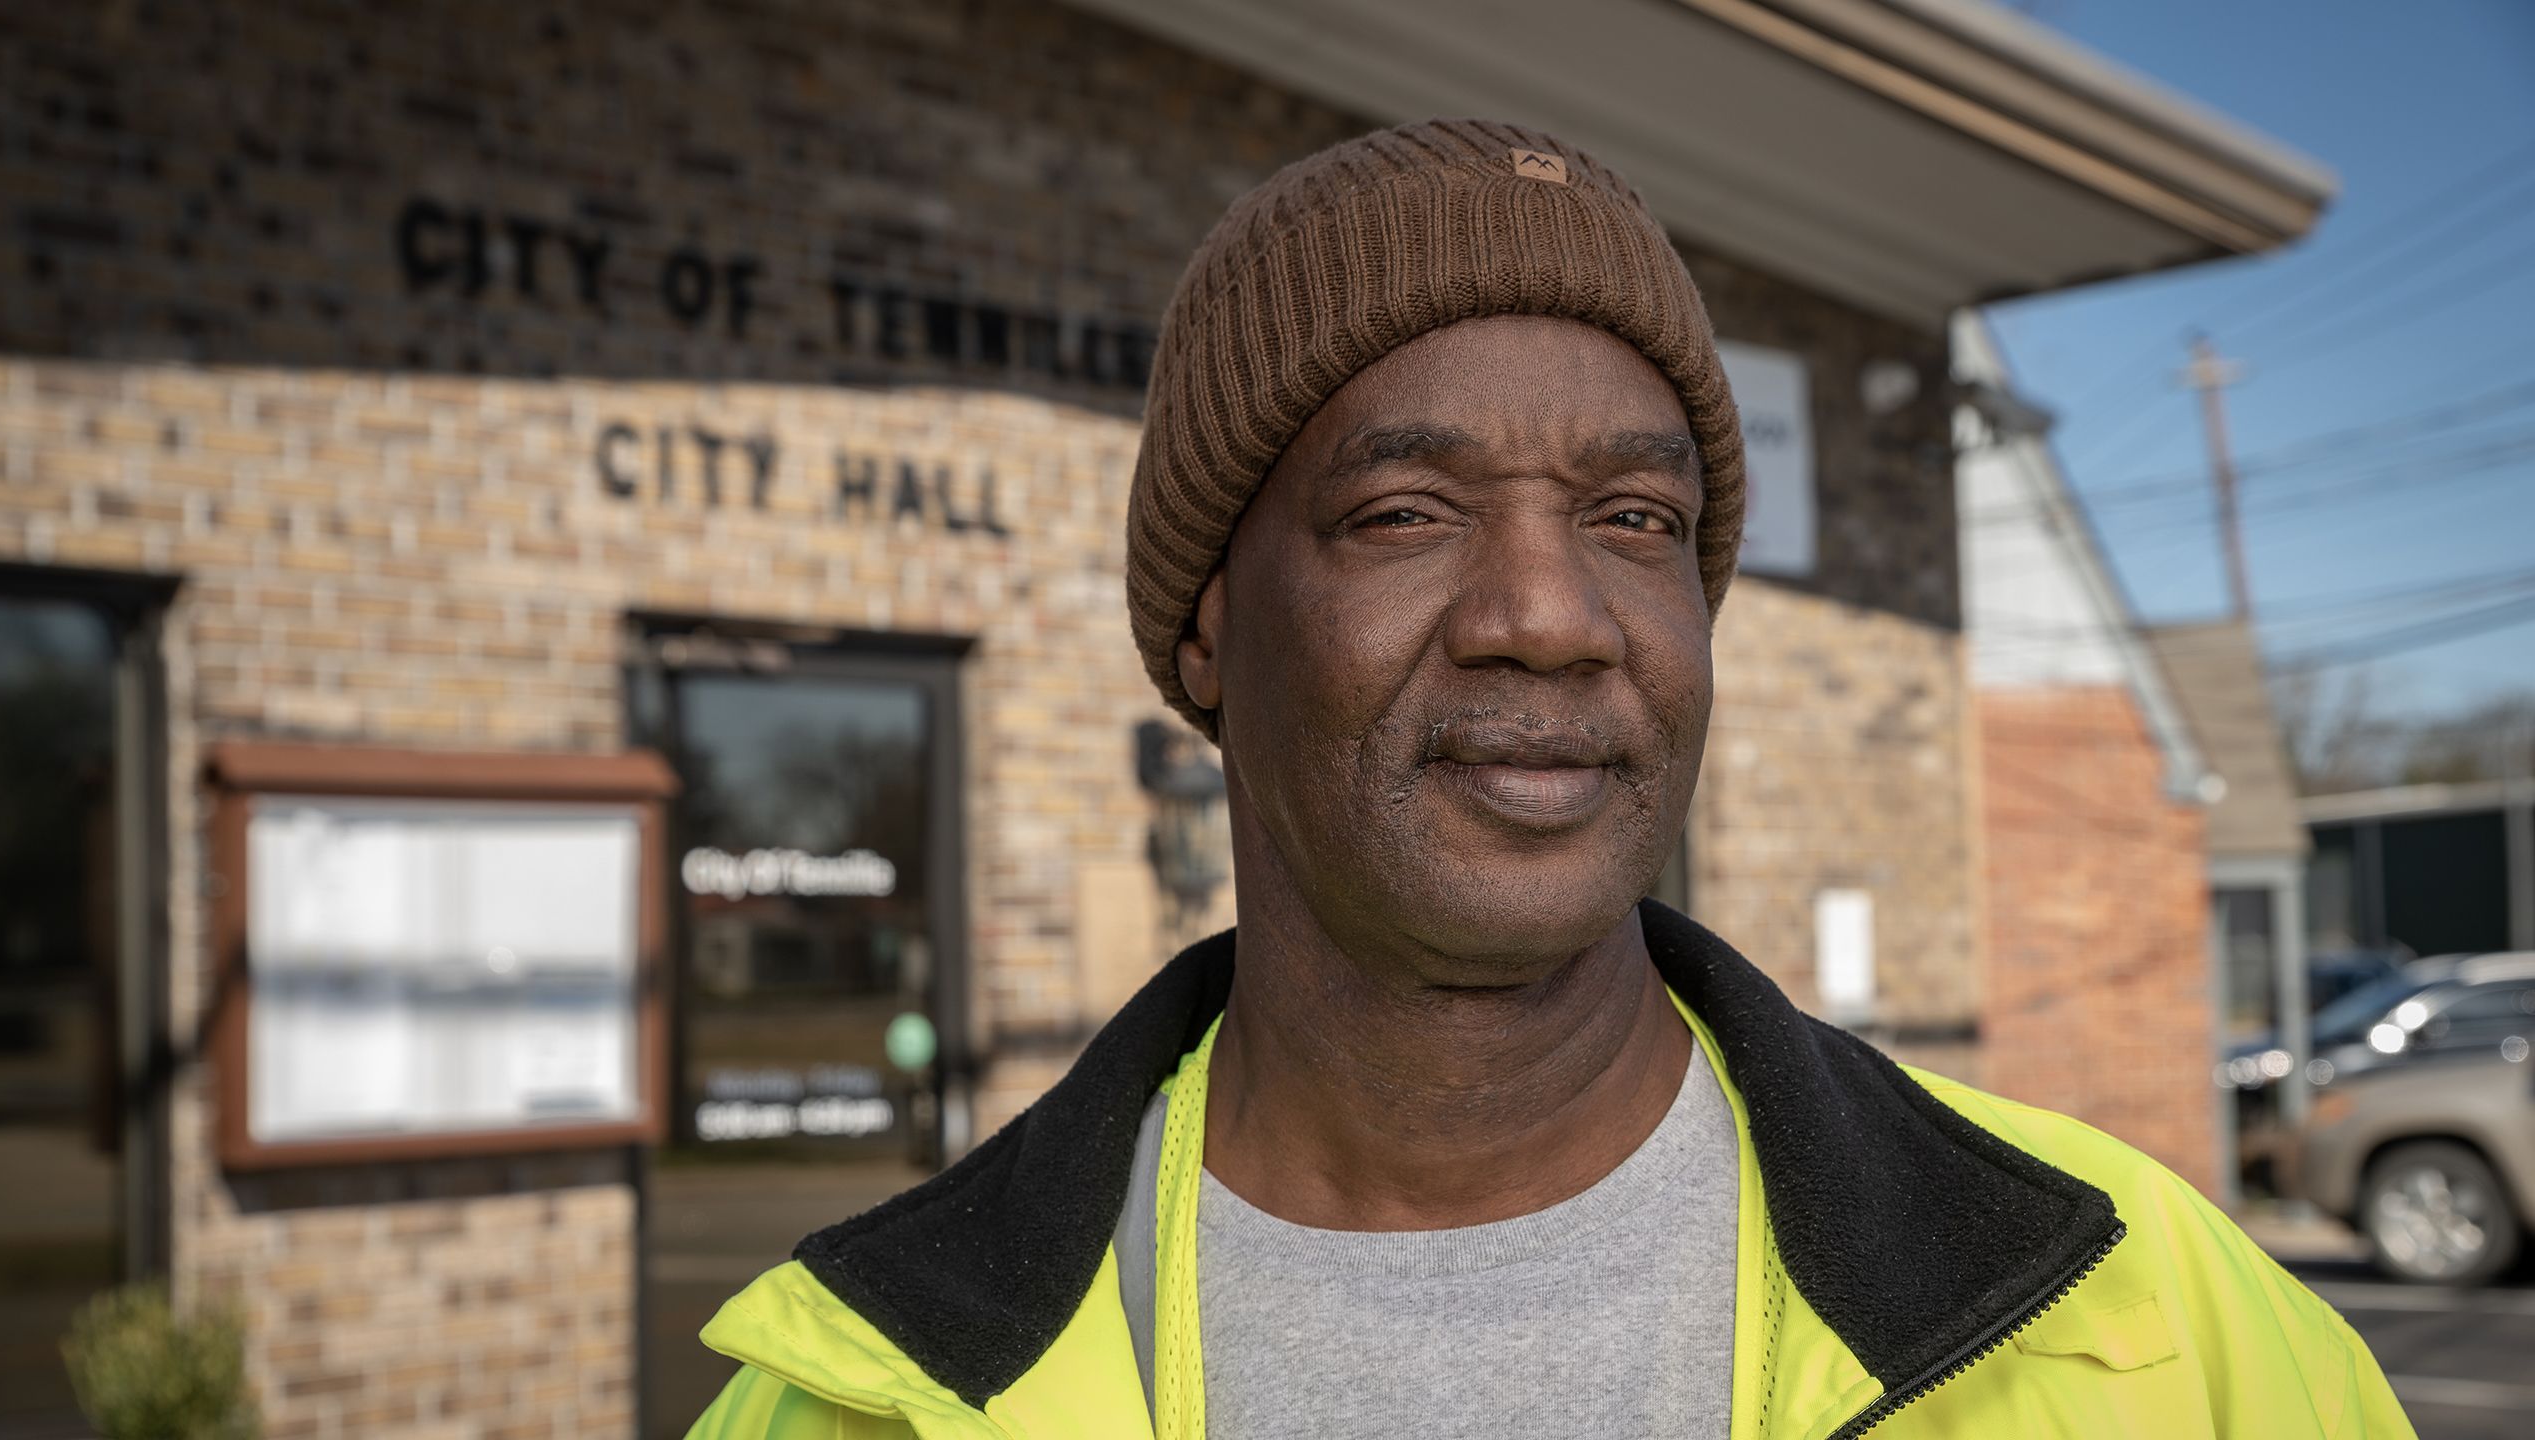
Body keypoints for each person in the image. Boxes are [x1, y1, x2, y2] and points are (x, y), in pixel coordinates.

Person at [686, 119, 2411, 1440]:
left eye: (1636, 522)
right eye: (1406, 515)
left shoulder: (2146, 1316)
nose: (1548, 618)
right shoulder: (852, 1383)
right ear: (1209, 633)